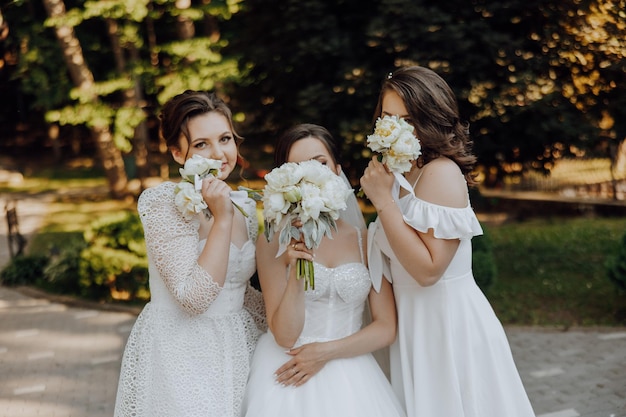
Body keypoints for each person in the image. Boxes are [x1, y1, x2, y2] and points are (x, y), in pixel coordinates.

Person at [360, 65, 536, 417]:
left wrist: (382, 202)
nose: (396, 128)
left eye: (407, 119)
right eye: (388, 117)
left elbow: (428, 271)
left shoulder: (441, 172)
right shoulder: (396, 173)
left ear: (432, 120)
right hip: (410, 327)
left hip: (446, 327)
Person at [114, 90, 266, 417]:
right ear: (177, 153)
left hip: (238, 346)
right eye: (201, 144)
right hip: (181, 352)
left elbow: (240, 290)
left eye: (225, 139)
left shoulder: (245, 206)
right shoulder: (163, 203)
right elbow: (193, 297)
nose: (218, 153)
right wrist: (222, 219)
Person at [241, 124, 406, 417]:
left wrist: (325, 353)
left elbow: (386, 327)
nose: (311, 177)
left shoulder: (365, 239)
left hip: (351, 374)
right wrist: (296, 269)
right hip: (288, 368)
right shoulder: (272, 243)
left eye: (320, 164)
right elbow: (285, 336)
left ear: (337, 169)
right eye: (298, 168)